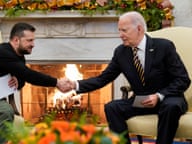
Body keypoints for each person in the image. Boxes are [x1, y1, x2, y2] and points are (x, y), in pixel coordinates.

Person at [67, 11, 191, 144]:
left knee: (170, 107)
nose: (120, 35)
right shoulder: (121, 52)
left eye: (124, 30)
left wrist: (159, 95)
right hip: (142, 100)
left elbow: (183, 79)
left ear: (139, 29)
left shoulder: (164, 46)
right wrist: (75, 85)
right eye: (119, 30)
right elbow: (103, 78)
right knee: (112, 107)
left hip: (168, 98)